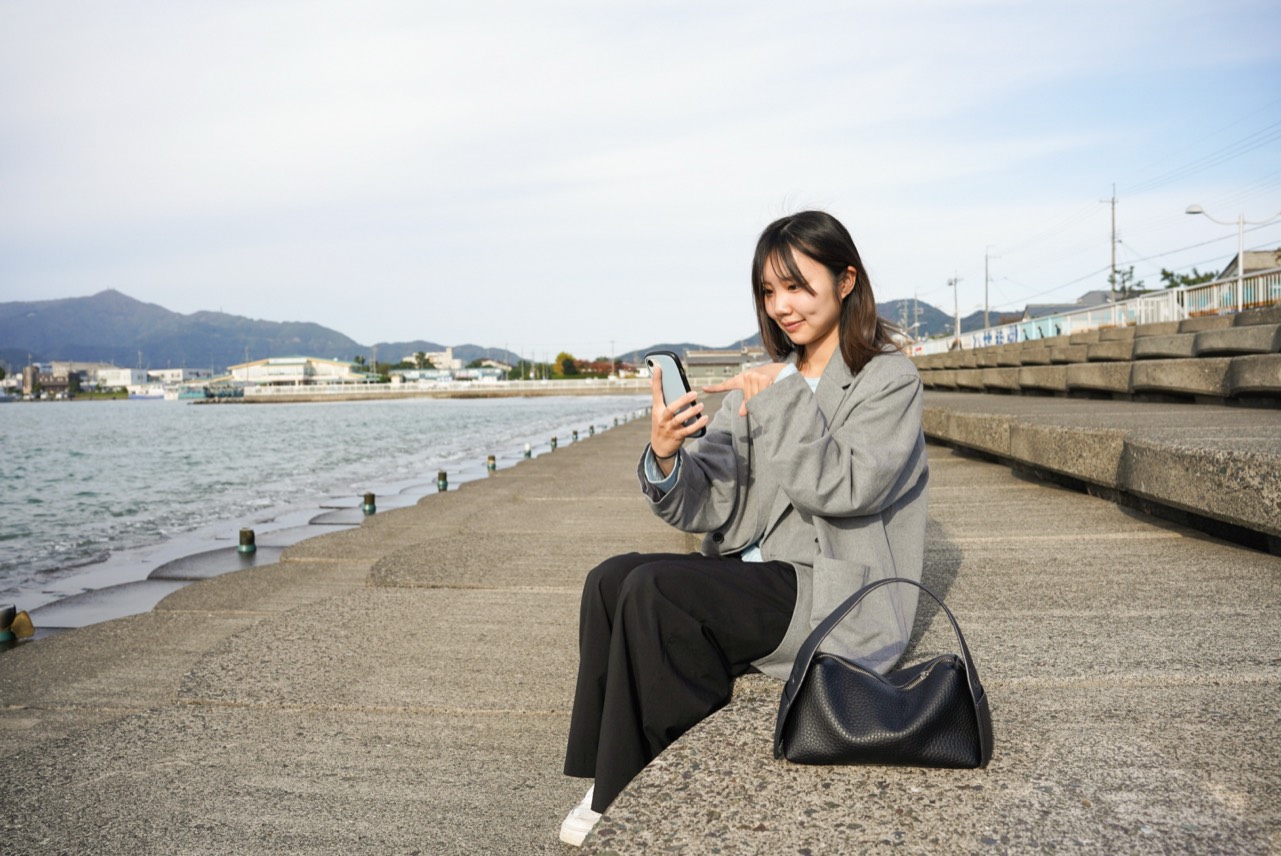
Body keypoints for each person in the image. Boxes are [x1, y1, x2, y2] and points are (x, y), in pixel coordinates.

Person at [559, 210, 929, 847]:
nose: (781, 306)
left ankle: (625, 791)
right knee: (611, 579)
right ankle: (608, 770)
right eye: (769, 290)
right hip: (756, 576)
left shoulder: (887, 379)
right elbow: (709, 502)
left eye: (797, 286)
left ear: (845, 281)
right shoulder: (763, 383)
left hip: (835, 591)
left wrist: (782, 395)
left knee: (656, 590)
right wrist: (667, 456)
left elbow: (844, 487)